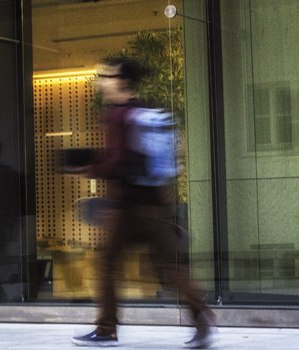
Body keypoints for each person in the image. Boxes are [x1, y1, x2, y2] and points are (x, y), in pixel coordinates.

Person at [69, 58, 215, 348]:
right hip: (156, 203)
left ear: (121, 81)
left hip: (127, 205)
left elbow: (118, 160)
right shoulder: (145, 107)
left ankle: (106, 329)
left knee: (108, 265)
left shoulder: (116, 115)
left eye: (108, 76)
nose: (102, 81)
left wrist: (91, 168)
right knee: (172, 266)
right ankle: (202, 318)